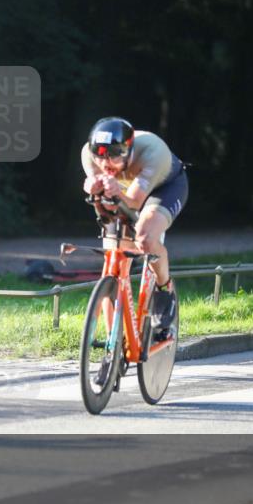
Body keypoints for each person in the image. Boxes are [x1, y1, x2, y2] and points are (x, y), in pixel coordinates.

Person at [81, 117, 188, 339]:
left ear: (128, 150)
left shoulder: (151, 152)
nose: (105, 163)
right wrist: (94, 192)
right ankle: (115, 344)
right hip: (123, 190)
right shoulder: (88, 154)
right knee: (112, 255)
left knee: (144, 238)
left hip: (163, 189)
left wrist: (116, 192)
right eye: (99, 157)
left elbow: (135, 203)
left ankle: (164, 290)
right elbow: (103, 210)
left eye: (113, 156)